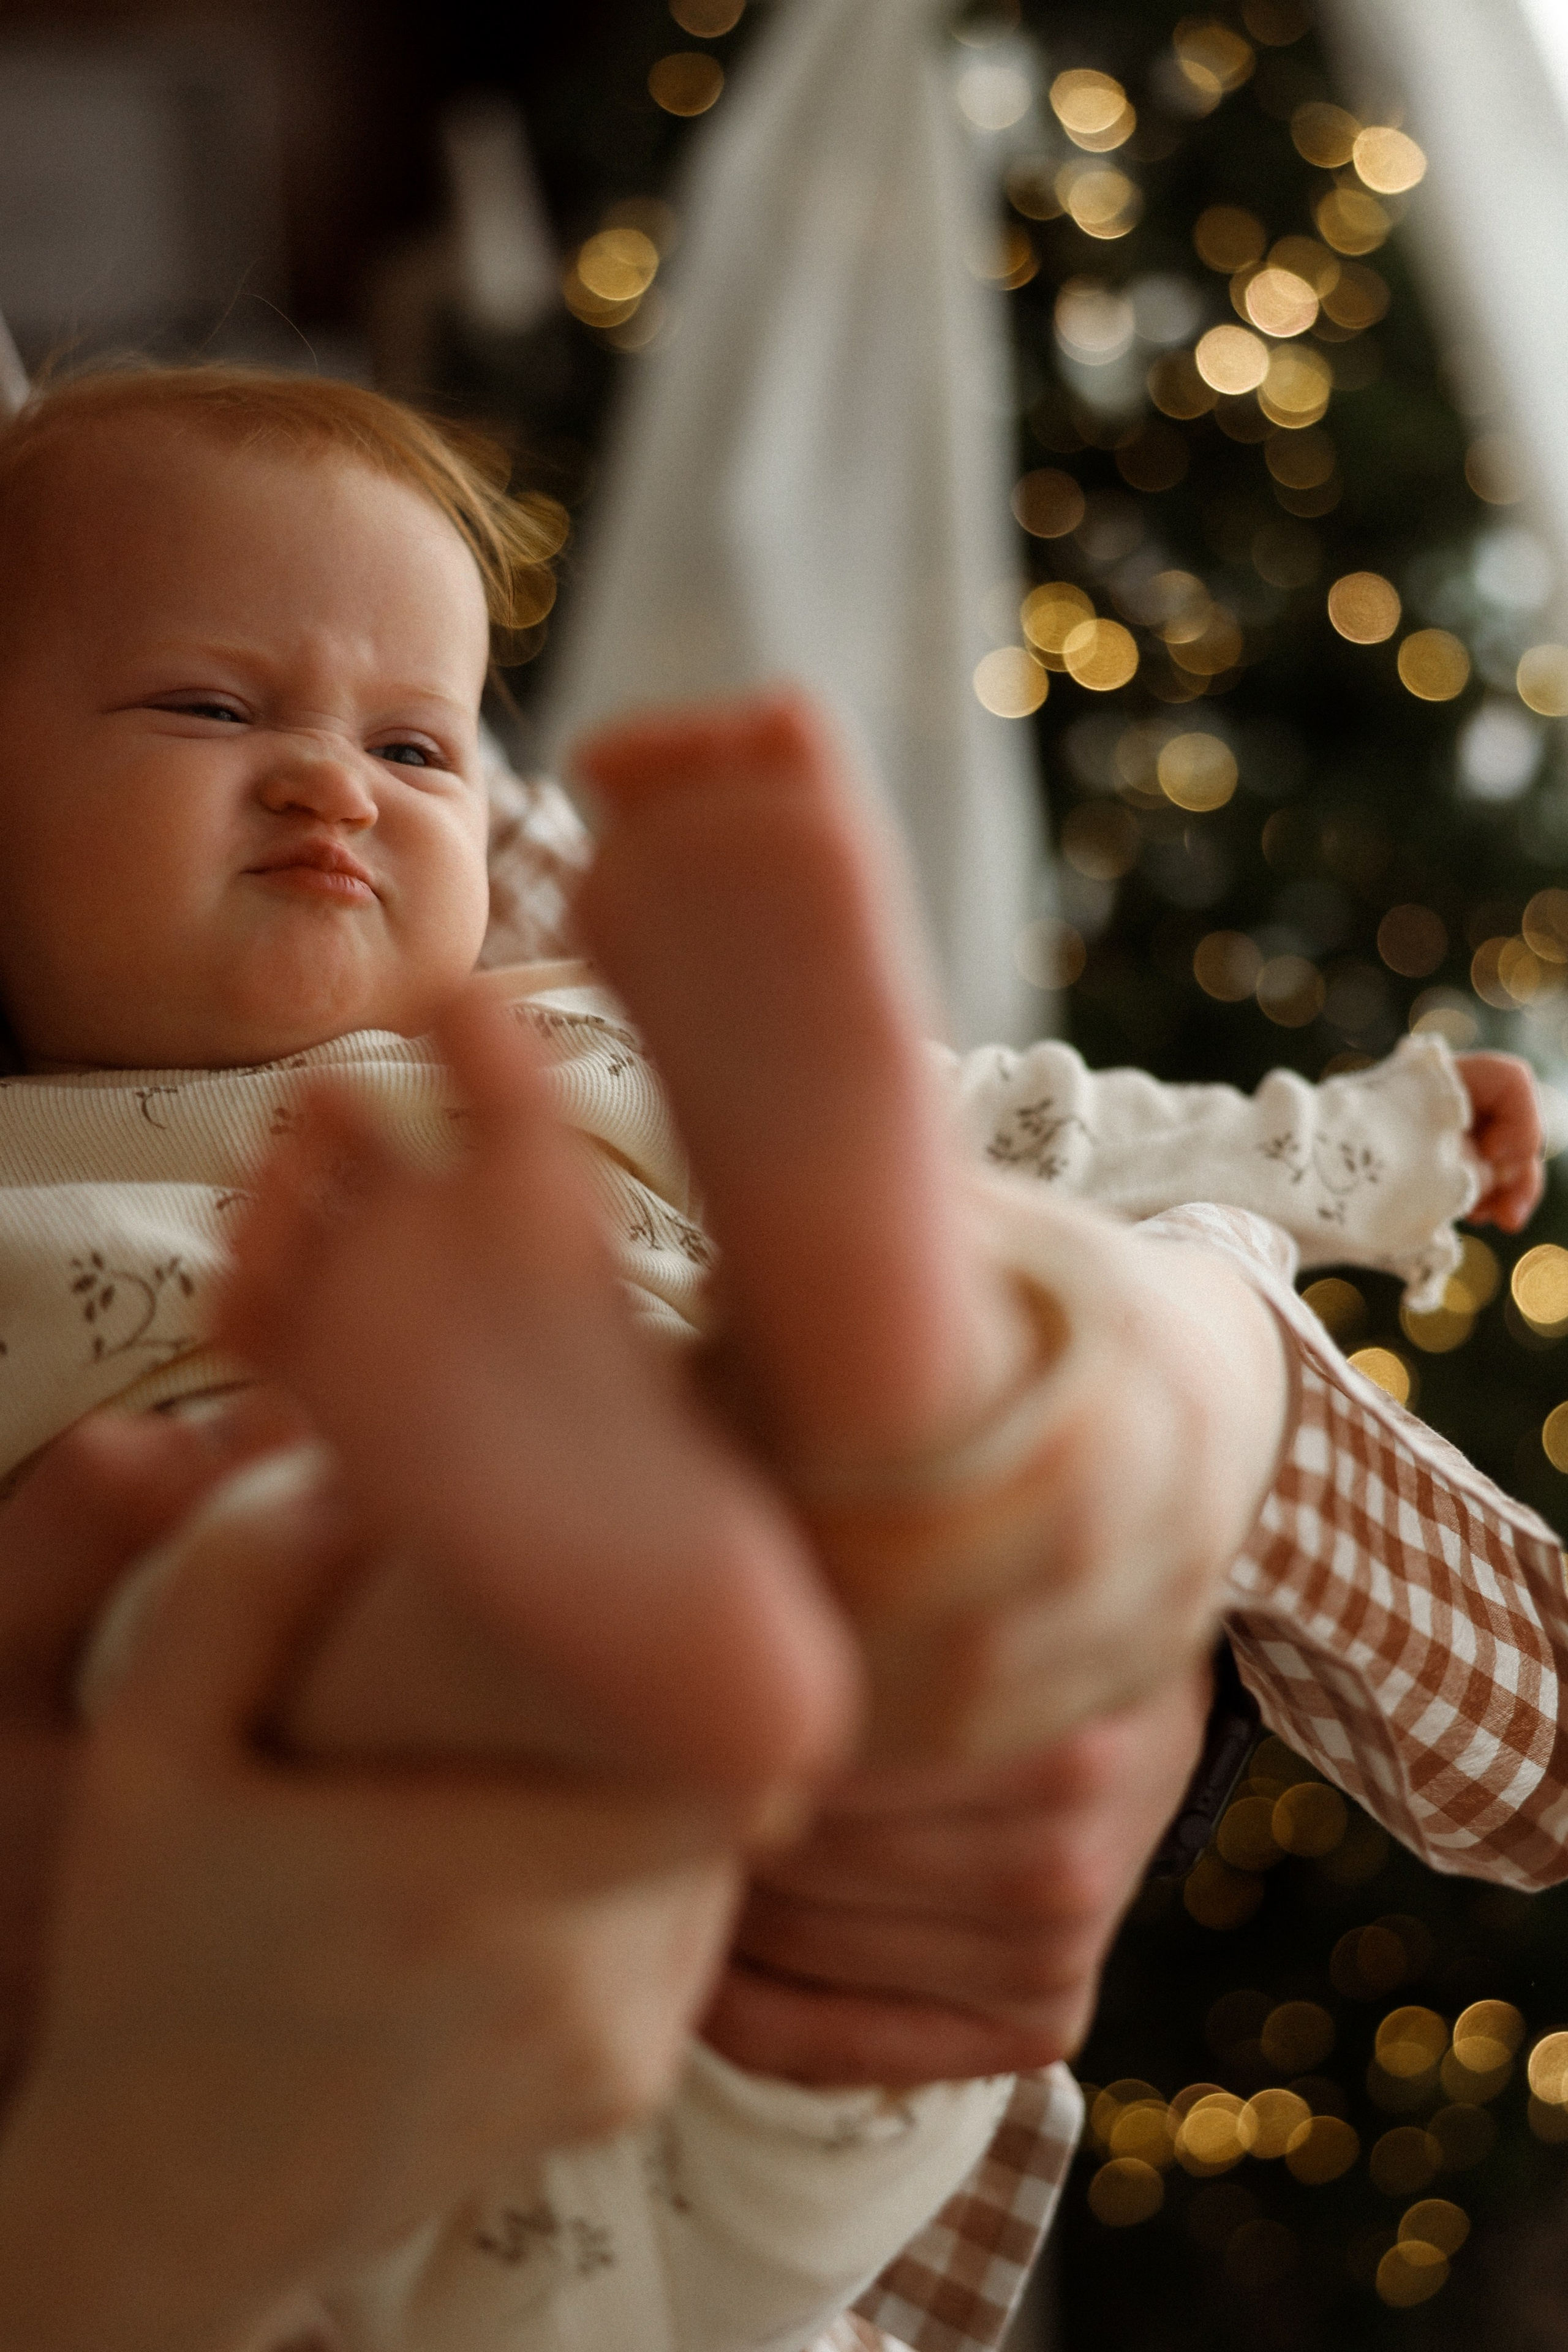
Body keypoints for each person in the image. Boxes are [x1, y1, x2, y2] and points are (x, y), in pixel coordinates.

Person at [0, 357, 1558, 2351]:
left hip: (727, 1916)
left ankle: (844, 1417)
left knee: (836, 2006)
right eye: (209, 711)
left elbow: (1040, 1125)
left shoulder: (563, 1033)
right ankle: (691, 1557)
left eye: (417, 745)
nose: (336, 786)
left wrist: (1361, 1144)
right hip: (342, 1994)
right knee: (229, 1595)